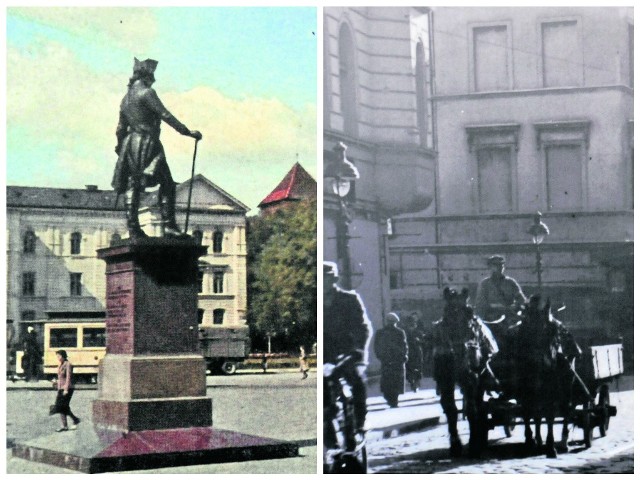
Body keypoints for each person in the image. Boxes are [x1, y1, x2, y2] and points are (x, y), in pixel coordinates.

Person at [112, 57, 203, 239]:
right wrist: (187, 132)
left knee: (134, 185)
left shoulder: (125, 99)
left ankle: (133, 228)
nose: (153, 79)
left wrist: (121, 148)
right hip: (147, 143)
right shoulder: (147, 93)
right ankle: (169, 226)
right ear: (147, 75)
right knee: (167, 183)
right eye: (152, 75)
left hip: (130, 144)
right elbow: (165, 115)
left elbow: (120, 128)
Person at [323, 261, 372, 432]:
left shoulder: (349, 299)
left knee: (357, 382)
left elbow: (363, 327)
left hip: (347, 353)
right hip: (325, 355)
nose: (322, 282)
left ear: (333, 279)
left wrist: (359, 350)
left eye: (326, 277)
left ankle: (360, 422)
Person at [475, 255, 527, 323]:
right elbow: (480, 303)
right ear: (490, 267)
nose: (500, 267)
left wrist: (514, 306)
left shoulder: (510, 283)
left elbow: (521, 299)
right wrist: (495, 306)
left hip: (509, 317)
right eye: (496, 265)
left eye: (501, 265)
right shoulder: (485, 284)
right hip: (491, 318)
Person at [373, 313, 408, 408]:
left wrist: (380, 356)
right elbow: (404, 346)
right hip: (396, 360)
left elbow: (376, 347)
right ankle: (393, 399)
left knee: (388, 380)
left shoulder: (381, 332)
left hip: (388, 360)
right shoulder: (400, 332)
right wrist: (404, 356)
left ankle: (390, 398)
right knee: (394, 380)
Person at [52, 350, 80, 432]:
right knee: (61, 406)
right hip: (61, 388)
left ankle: (68, 424)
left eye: (59, 356)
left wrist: (66, 389)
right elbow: (60, 377)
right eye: (57, 356)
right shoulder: (60, 365)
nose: (58, 358)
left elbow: (68, 377)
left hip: (67, 388)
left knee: (61, 406)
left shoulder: (68, 364)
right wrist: (56, 382)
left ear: (63, 356)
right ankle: (73, 421)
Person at [403, 313, 424, 392]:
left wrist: (419, 341)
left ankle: (416, 382)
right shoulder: (405, 332)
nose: (413, 324)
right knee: (411, 368)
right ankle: (413, 382)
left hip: (416, 351)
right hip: (410, 351)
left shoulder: (417, 332)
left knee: (418, 367)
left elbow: (423, 341)